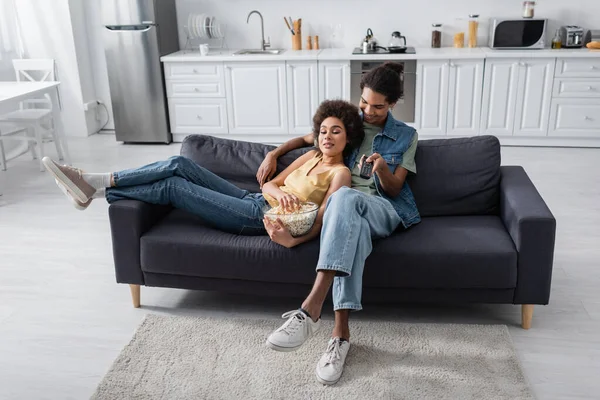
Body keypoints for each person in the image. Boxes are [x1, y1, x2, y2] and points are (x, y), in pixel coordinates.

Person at [260, 62, 420, 386]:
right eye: (364, 102)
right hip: (345, 212)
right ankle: (340, 336)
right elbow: (309, 137)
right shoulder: (348, 123)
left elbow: (395, 189)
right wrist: (274, 154)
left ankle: (311, 307)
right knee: (350, 220)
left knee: (344, 198)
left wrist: (381, 169)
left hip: (383, 208)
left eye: (377, 106)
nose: (368, 111)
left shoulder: (406, 135)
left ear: (392, 104)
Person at [41, 100, 364, 244]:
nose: (326, 137)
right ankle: (95, 184)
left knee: (174, 187)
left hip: (261, 219)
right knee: (179, 165)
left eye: (335, 131)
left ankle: (91, 187)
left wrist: (292, 240)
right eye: (322, 130)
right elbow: (272, 184)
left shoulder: (340, 174)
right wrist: (277, 190)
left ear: (347, 136)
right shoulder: (308, 155)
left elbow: (324, 219)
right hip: (255, 199)